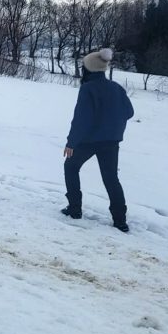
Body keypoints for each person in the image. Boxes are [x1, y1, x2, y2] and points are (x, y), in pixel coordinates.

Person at [62, 48, 134, 232]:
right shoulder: (116, 87)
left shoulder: (87, 89)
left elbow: (81, 118)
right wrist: (112, 123)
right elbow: (129, 112)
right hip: (111, 142)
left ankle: (74, 209)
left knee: (70, 167)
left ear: (89, 69)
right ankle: (120, 220)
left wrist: (71, 143)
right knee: (111, 178)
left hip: (88, 141)